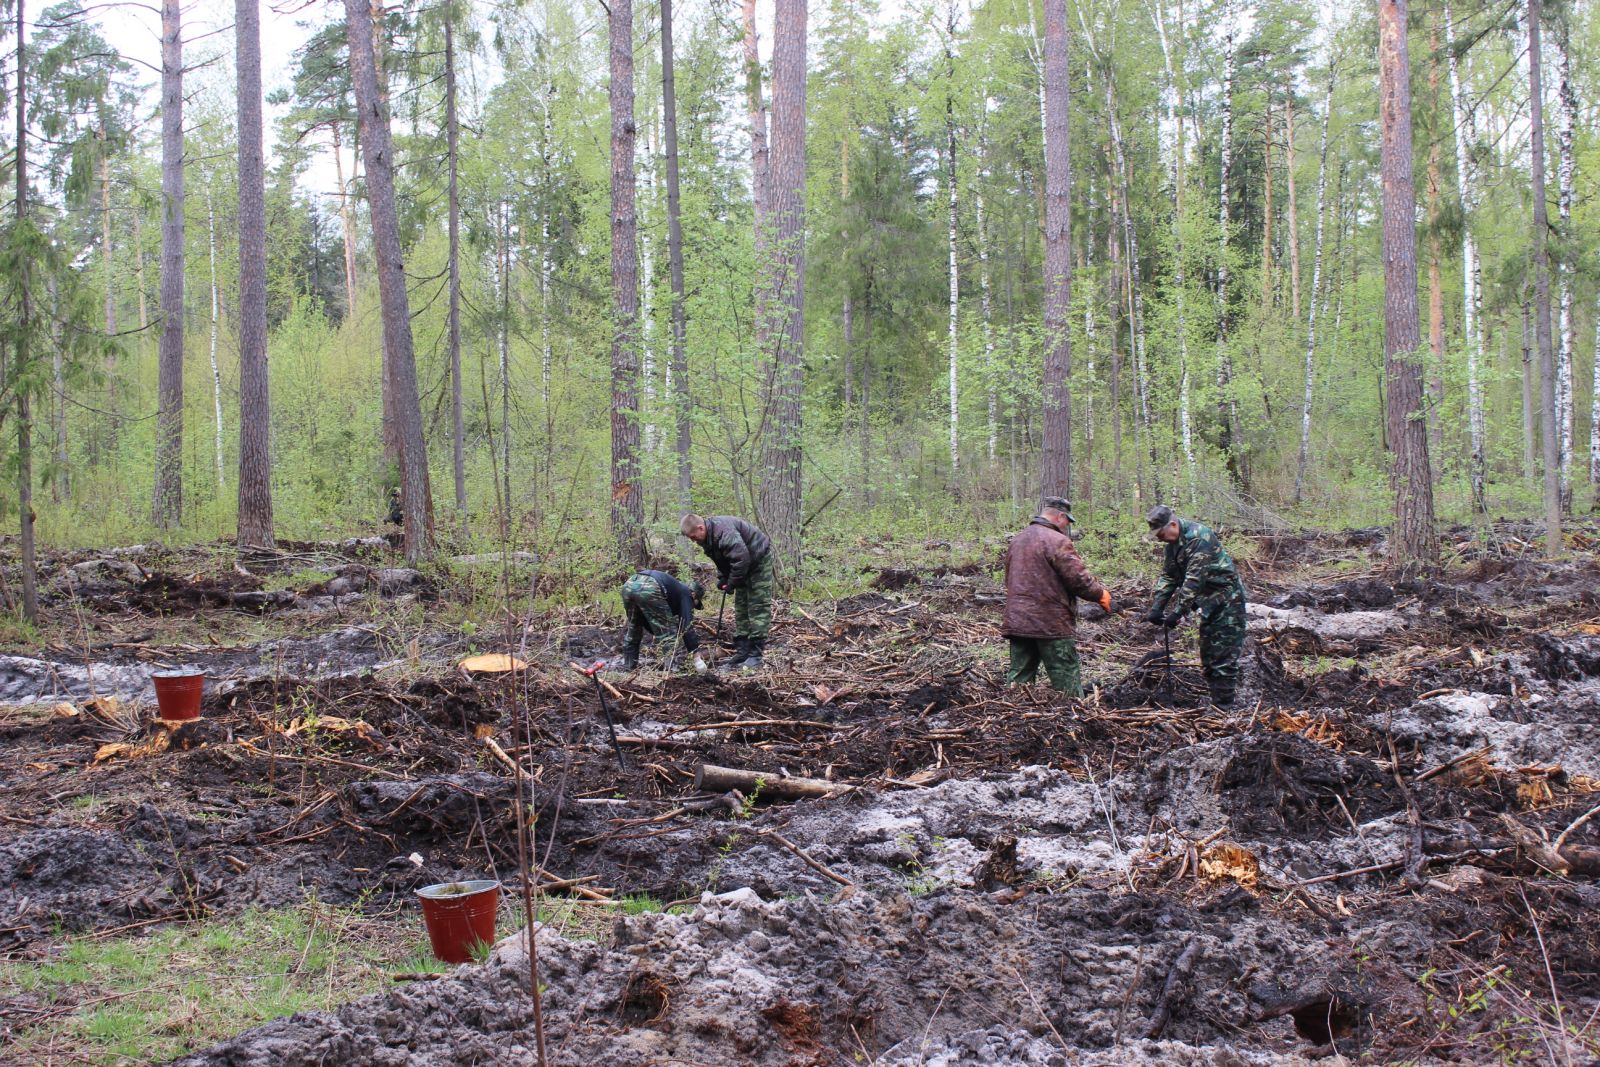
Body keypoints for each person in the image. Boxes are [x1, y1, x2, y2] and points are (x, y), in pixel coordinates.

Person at [1002, 497, 1114, 695]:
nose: (1067, 526)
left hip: (1018, 621)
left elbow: (1009, 579)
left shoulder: (1017, 540)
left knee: (1019, 679)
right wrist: (1101, 594)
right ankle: (1074, 718)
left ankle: (1013, 717)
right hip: (1051, 623)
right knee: (1066, 677)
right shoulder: (1058, 541)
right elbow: (1079, 580)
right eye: (1067, 521)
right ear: (1060, 516)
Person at [1143, 504, 1248, 708]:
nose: (1158, 538)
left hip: (1227, 603)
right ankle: (1217, 704)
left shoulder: (1199, 538)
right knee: (1208, 658)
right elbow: (1169, 576)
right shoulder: (1172, 545)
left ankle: (1224, 709)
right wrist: (1157, 607)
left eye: (1160, 533)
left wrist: (1177, 612)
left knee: (1223, 659)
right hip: (1208, 604)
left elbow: (1194, 580)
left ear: (1172, 524)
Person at [680, 513, 773, 670]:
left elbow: (741, 558)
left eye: (693, 537)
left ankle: (756, 655)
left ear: (700, 528)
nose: (693, 541)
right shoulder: (707, 538)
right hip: (743, 565)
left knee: (757, 605)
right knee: (741, 606)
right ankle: (743, 652)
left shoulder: (725, 532)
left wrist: (732, 582)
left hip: (758, 561)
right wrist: (723, 577)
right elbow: (722, 559)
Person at [617, 569, 708, 673]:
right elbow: (687, 625)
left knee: (634, 627)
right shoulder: (686, 594)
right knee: (669, 635)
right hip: (650, 586)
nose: (692, 606)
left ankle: (629, 667)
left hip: (630, 584)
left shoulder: (675, 589)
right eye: (695, 604)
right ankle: (671, 672)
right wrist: (696, 656)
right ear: (694, 595)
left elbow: (649, 621)